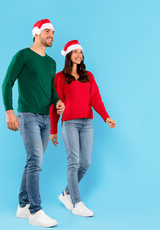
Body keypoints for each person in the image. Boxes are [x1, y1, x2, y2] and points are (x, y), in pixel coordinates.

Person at [2, 19, 65, 227]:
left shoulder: (51, 62)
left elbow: (51, 90)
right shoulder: (23, 55)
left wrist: (57, 101)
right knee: (35, 160)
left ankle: (22, 205)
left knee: (33, 161)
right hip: (27, 116)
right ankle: (35, 212)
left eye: (54, 33)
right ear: (36, 33)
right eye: (48, 31)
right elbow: (7, 82)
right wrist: (9, 112)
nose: (52, 35)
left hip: (46, 118)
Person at [50, 40, 116, 217]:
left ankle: (66, 194)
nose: (79, 55)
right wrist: (53, 129)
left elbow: (96, 99)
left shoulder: (89, 76)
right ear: (69, 55)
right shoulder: (60, 78)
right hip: (69, 123)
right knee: (74, 162)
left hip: (87, 123)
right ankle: (77, 203)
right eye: (75, 52)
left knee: (85, 163)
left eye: (81, 52)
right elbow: (56, 105)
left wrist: (106, 117)